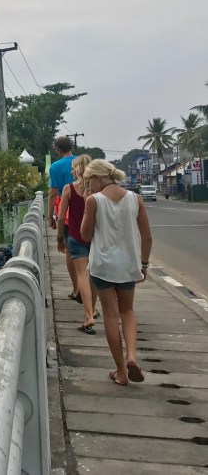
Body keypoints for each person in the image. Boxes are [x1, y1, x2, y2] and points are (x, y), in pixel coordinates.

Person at [80, 160, 152, 386]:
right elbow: (147, 237)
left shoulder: (94, 200)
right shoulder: (135, 199)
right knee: (127, 311)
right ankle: (132, 357)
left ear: (98, 178)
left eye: (88, 181)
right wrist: (144, 264)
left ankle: (121, 372)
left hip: (103, 266)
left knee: (111, 315)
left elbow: (85, 235)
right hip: (128, 265)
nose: (88, 186)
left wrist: (87, 205)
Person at [56, 155, 98, 334]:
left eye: (73, 168)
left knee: (82, 275)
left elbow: (60, 217)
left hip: (76, 236)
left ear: (78, 169)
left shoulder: (69, 189)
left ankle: (88, 316)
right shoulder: (97, 190)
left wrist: (60, 238)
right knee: (94, 276)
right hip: (96, 238)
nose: (71, 171)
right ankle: (94, 309)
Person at [48, 135, 78, 299]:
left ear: (58, 150)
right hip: (88, 206)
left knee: (70, 249)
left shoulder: (55, 166)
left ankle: (76, 289)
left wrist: (50, 216)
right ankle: (89, 289)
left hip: (67, 211)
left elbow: (53, 192)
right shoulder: (84, 162)